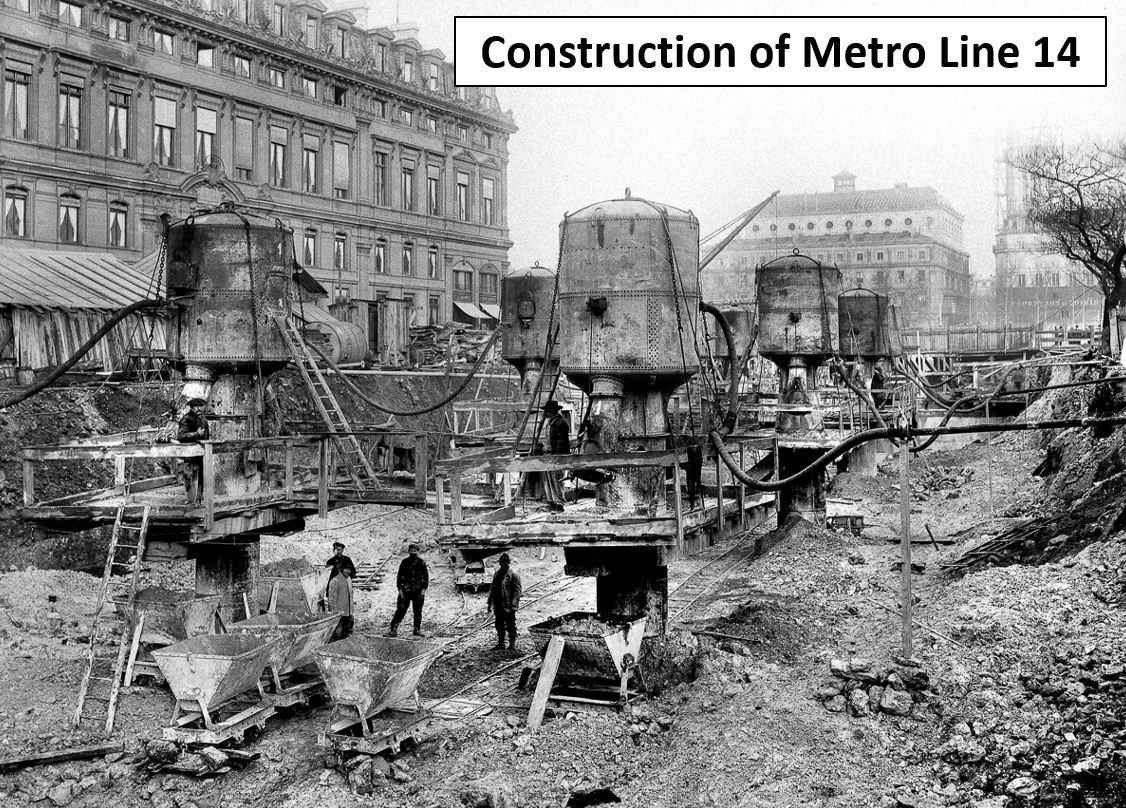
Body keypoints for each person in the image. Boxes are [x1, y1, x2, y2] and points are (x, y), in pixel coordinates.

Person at [388, 543, 429, 636]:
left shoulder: (421, 562)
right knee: (400, 610)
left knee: (418, 611)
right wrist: (400, 589)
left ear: (417, 551)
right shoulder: (404, 562)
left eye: (415, 551)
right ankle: (393, 629)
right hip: (405, 590)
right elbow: (399, 577)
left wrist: (423, 590)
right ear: (409, 551)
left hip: (418, 591)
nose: (413, 552)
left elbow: (425, 578)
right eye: (411, 551)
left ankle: (417, 629)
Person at [176, 397, 210, 502]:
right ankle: (190, 500)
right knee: (189, 477)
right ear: (192, 407)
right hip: (190, 454)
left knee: (201, 478)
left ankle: (199, 499)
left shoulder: (202, 418)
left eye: (201, 406)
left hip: (201, 453)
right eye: (196, 406)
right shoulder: (187, 418)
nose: (199, 408)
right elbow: (181, 436)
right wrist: (196, 434)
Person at [487, 552, 522, 651]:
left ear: (508, 563)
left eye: (505, 562)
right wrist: (489, 603)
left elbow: (517, 590)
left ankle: (512, 644)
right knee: (499, 624)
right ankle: (501, 643)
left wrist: (514, 604)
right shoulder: (497, 574)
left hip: (508, 605)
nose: (503, 564)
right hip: (498, 604)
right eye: (501, 562)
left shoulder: (513, 574)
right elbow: (493, 589)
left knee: (510, 624)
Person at [542, 399, 569, 512]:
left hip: (556, 456)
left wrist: (557, 456)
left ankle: (559, 504)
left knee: (557, 479)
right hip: (547, 454)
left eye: (547, 411)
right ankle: (551, 502)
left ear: (552, 411)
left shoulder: (560, 423)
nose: (545, 413)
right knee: (548, 480)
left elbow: (561, 442)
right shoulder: (550, 422)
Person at [326, 564, 354, 639]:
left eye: (349, 569)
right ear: (341, 569)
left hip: (347, 611)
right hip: (338, 612)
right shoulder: (335, 581)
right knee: (338, 633)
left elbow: (350, 595)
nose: (348, 571)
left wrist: (351, 611)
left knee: (347, 631)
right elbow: (331, 598)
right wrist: (333, 613)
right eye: (346, 569)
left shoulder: (349, 579)